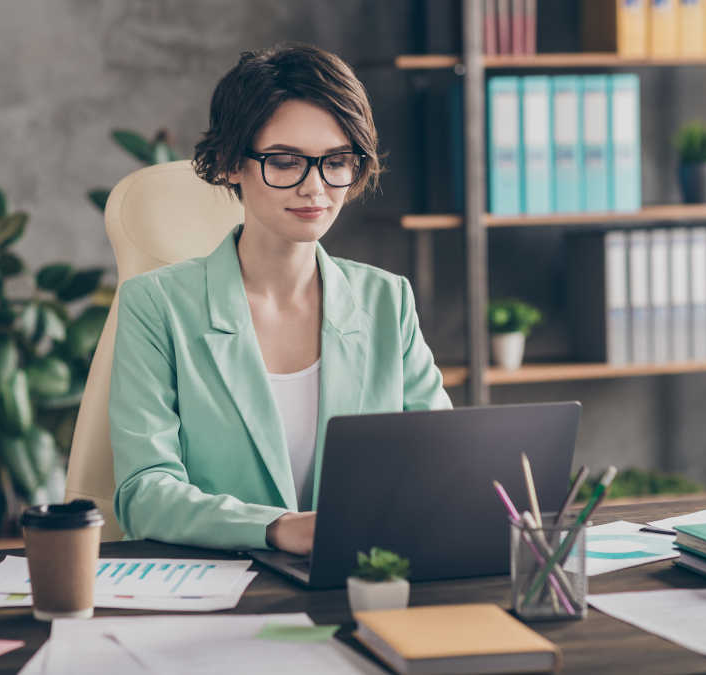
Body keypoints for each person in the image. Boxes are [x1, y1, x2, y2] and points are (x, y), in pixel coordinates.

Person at [109, 43, 450, 556]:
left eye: (336, 162)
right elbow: (144, 492)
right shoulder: (156, 305)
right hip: (221, 594)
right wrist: (276, 527)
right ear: (228, 164)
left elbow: (443, 461)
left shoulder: (386, 300)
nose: (315, 187)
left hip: (362, 579)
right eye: (285, 162)